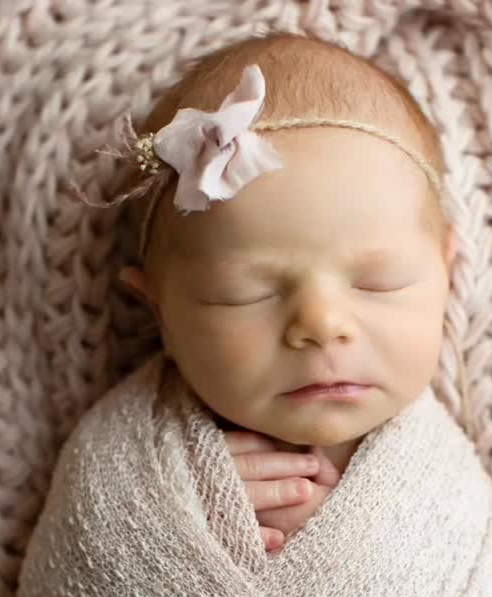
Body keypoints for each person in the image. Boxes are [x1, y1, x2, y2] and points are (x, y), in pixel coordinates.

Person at [116, 30, 457, 551]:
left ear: (445, 273)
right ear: (159, 312)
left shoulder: (445, 477)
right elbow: (85, 553)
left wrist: (350, 551)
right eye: (245, 293)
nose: (321, 325)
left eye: (376, 282)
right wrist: (163, 521)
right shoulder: (132, 460)